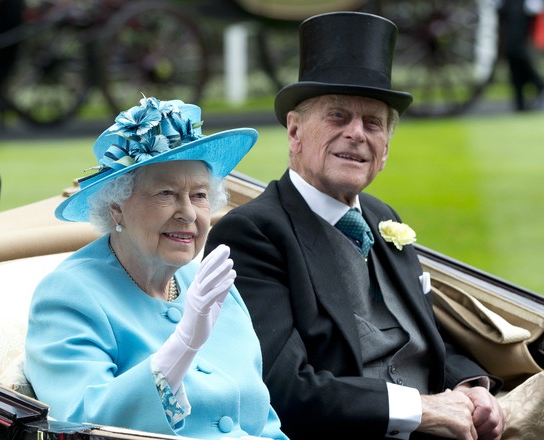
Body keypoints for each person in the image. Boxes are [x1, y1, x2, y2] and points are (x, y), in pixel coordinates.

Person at [206, 12, 505, 440]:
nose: (356, 134)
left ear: (385, 150)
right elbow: (282, 389)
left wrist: (469, 388)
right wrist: (420, 410)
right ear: (295, 131)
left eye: (373, 123)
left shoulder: (383, 217)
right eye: (337, 116)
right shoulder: (253, 234)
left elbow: (421, 335)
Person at [24, 97, 287, 440]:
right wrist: (183, 345)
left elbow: (265, 421)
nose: (189, 214)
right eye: (166, 193)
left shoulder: (210, 285)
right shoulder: (69, 296)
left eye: (200, 195)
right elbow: (83, 424)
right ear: (116, 207)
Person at [497, 0, 544, 111]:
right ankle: (519, 102)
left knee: (515, 49)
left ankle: (538, 84)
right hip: (508, 5)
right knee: (511, 55)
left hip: (521, 6)